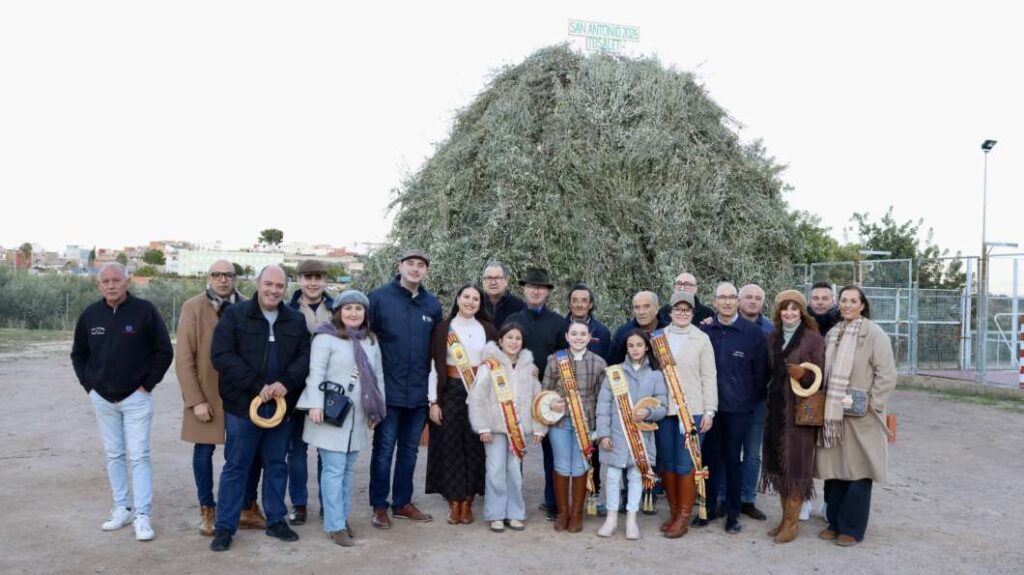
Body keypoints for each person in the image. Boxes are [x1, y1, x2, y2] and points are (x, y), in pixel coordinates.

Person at [209, 265, 311, 551]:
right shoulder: (235, 315)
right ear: (258, 283)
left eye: (279, 286)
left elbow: (305, 357)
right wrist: (257, 386)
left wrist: (286, 383)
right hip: (243, 407)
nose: (273, 290)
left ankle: (276, 520)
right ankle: (225, 527)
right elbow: (221, 356)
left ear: (286, 288)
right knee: (236, 466)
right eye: (269, 284)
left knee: (277, 464)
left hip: (281, 407)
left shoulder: (295, 320)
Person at [71, 262, 173, 542]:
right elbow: (78, 354)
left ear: (127, 282)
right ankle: (122, 509)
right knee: (114, 454)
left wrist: (146, 385)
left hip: (136, 398)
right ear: (99, 285)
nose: (111, 285)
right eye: (106, 281)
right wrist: (89, 385)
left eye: (117, 280)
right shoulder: (90, 315)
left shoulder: (145, 311)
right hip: (102, 399)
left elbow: (164, 351)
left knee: (139, 455)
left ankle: (142, 516)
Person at [175, 260, 266, 536]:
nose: (223, 280)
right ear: (208, 277)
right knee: (203, 450)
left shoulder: (251, 306)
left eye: (228, 275)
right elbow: (184, 359)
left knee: (249, 452)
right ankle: (208, 509)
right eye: (217, 274)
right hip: (207, 393)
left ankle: (247, 507)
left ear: (235, 278)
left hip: (243, 392)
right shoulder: (193, 307)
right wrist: (195, 400)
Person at [295, 290, 386, 547]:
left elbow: (377, 377)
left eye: (358, 309)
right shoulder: (326, 338)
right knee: (333, 470)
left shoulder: (370, 340)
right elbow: (316, 373)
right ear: (339, 311)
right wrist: (314, 404)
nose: (353, 313)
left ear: (365, 313)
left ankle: (341, 518)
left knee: (347, 470)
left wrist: (377, 410)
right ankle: (334, 524)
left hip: (357, 415)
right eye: (348, 308)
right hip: (330, 413)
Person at [815, 286, 897, 547]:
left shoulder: (874, 334)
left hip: (863, 417)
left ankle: (852, 528)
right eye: (843, 301)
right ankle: (835, 522)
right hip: (835, 416)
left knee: (860, 471)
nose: (847, 305)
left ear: (862, 305)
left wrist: (870, 405)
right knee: (837, 471)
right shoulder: (834, 333)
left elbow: (886, 375)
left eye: (853, 301)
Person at [368, 249, 443, 528]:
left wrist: (434, 396)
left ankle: (402, 502)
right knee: (384, 449)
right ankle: (379, 505)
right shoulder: (378, 298)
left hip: (418, 395)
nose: (415, 269)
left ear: (426, 271)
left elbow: (437, 352)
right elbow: (364, 340)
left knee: (410, 451)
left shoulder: (432, 305)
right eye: (410, 263)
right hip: (388, 393)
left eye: (421, 265)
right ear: (399, 266)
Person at [695, 282, 768, 534]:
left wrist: (746, 399)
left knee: (733, 458)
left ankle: (733, 513)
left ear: (737, 301)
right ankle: (709, 508)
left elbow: (761, 373)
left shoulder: (752, 332)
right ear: (713, 302)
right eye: (721, 297)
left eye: (731, 297)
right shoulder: (704, 331)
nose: (726, 302)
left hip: (739, 409)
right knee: (710, 458)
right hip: (709, 409)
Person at [426, 284, 497, 524]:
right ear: (457, 299)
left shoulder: (487, 329)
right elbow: (434, 367)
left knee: (475, 448)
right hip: (450, 393)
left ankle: (468, 501)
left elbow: (496, 365)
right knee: (451, 447)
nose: (470, 301)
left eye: (475, 298)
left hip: (480, 394)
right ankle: (453, 502)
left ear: (480, 304)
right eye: (466, 296)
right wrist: (433, 401)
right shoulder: (444, 328)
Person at [760, 290, 825, 543]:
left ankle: (792, 523)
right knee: (778, 465)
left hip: (800, 414)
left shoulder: (813, 340)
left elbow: (819, 378)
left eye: (794, 308)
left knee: (796, 466)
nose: (789, 313)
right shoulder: (773, 336)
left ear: (801, 312)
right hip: (775, 410)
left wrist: (803, 374)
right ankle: (784, 519)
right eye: (785, 308)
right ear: (779, 312)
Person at [469, 324, 545, 532]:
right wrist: (482, 426)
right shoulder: (489, 366)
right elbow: (478, 398)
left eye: (518, 338)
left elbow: (536, 399)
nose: (513, 342)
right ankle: (496, 514)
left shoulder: (530, 368)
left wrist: (539, 428)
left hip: (517, 429)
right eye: (509, 337)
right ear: (501, 341)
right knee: (494, 471)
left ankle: (515, 513)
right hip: (494, 427)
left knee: (514, 471)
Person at [654, 291, 717, 538]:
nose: (682, 313)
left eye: (687, 309)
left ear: (693, 313)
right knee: (667, 463)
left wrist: (710, 411)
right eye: (677, 309)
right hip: (664, 410)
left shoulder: (701, 339)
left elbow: (709, 377)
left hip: (692, 412)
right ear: (669, 312)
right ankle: (672, 511)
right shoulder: (658, 337)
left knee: (685, 463)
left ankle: (683, 516)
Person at [504, 267, 565, 520]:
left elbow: (564, 360)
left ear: (548, 292)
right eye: (531, 286)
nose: (536, 290)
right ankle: (512, 505)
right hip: (518, 395)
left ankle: (553, 502)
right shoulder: (512, 320)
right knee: (514, 450)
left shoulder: (559, 322)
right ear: (524, 289)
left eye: (541, 287)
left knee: (552, 452)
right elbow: (505, 354)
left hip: (548, 396)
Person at [595, 330, 667, 540]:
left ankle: (631, 520)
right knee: (612, 476)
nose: (635, 349)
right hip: (616, 436)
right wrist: (603, 434)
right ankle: (611, 518)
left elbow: (663, 406)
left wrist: (648, 413)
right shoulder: (614, 372)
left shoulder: (656, 375)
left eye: (639, 345)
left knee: (636, 477)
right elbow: (604, 405)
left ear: (647, 347)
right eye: (631, 345)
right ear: (625, 348)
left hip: (641, 437)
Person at [542, 319, 607, 532]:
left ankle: (577, 513)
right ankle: (562, 512)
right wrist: (551, 402)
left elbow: (602, 397)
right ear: (567, 337)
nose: (578, 338)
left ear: (589, 337)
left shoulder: (599, 363)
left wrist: (599, 427)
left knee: (580, 465)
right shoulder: (554, 360)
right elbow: (545, 391)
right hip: (560, 421)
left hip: (586, 422)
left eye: (582, 334)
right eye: (574, 334)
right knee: (561, 464)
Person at [285, 259, 335, 525]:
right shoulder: (287, 308)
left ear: (324, 280)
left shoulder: (337, 308)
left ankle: (328, 502)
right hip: (295, 387)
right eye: (308, 278)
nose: (313, 283)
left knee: (327, 449)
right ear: (299, 280)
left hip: (329, 389)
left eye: (317, 277)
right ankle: (299, 504)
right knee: (296, 450)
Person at [734, 283, 773, 521]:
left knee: (752, 453)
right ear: (739, 300)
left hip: (758, 402)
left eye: (758, 298)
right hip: (729, 401)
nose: (753, 301)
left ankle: (747, 499)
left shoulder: (771, 329)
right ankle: (724, 497)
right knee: (728, 452)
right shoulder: (726, 325)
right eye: (748, 297)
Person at [610, 291, 668, 365]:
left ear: (657, 308)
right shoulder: (623, 333)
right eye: (637, 307)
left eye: (646, 306)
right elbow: (613, 366)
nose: (641, 312)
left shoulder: (668, 330)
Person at [560, 282, 612, 361]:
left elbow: (608, 364)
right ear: (569, 304)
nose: (579, 305)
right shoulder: (559, 329)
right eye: (575, 300)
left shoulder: (602, 332)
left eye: (584, 301)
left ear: (590, 304)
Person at [481, 261, 526, 328]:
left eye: (497, 278)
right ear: (483, 281)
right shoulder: (476, 305)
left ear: (506, 281)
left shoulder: (519, 307)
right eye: (489, 278)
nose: (493, 282)